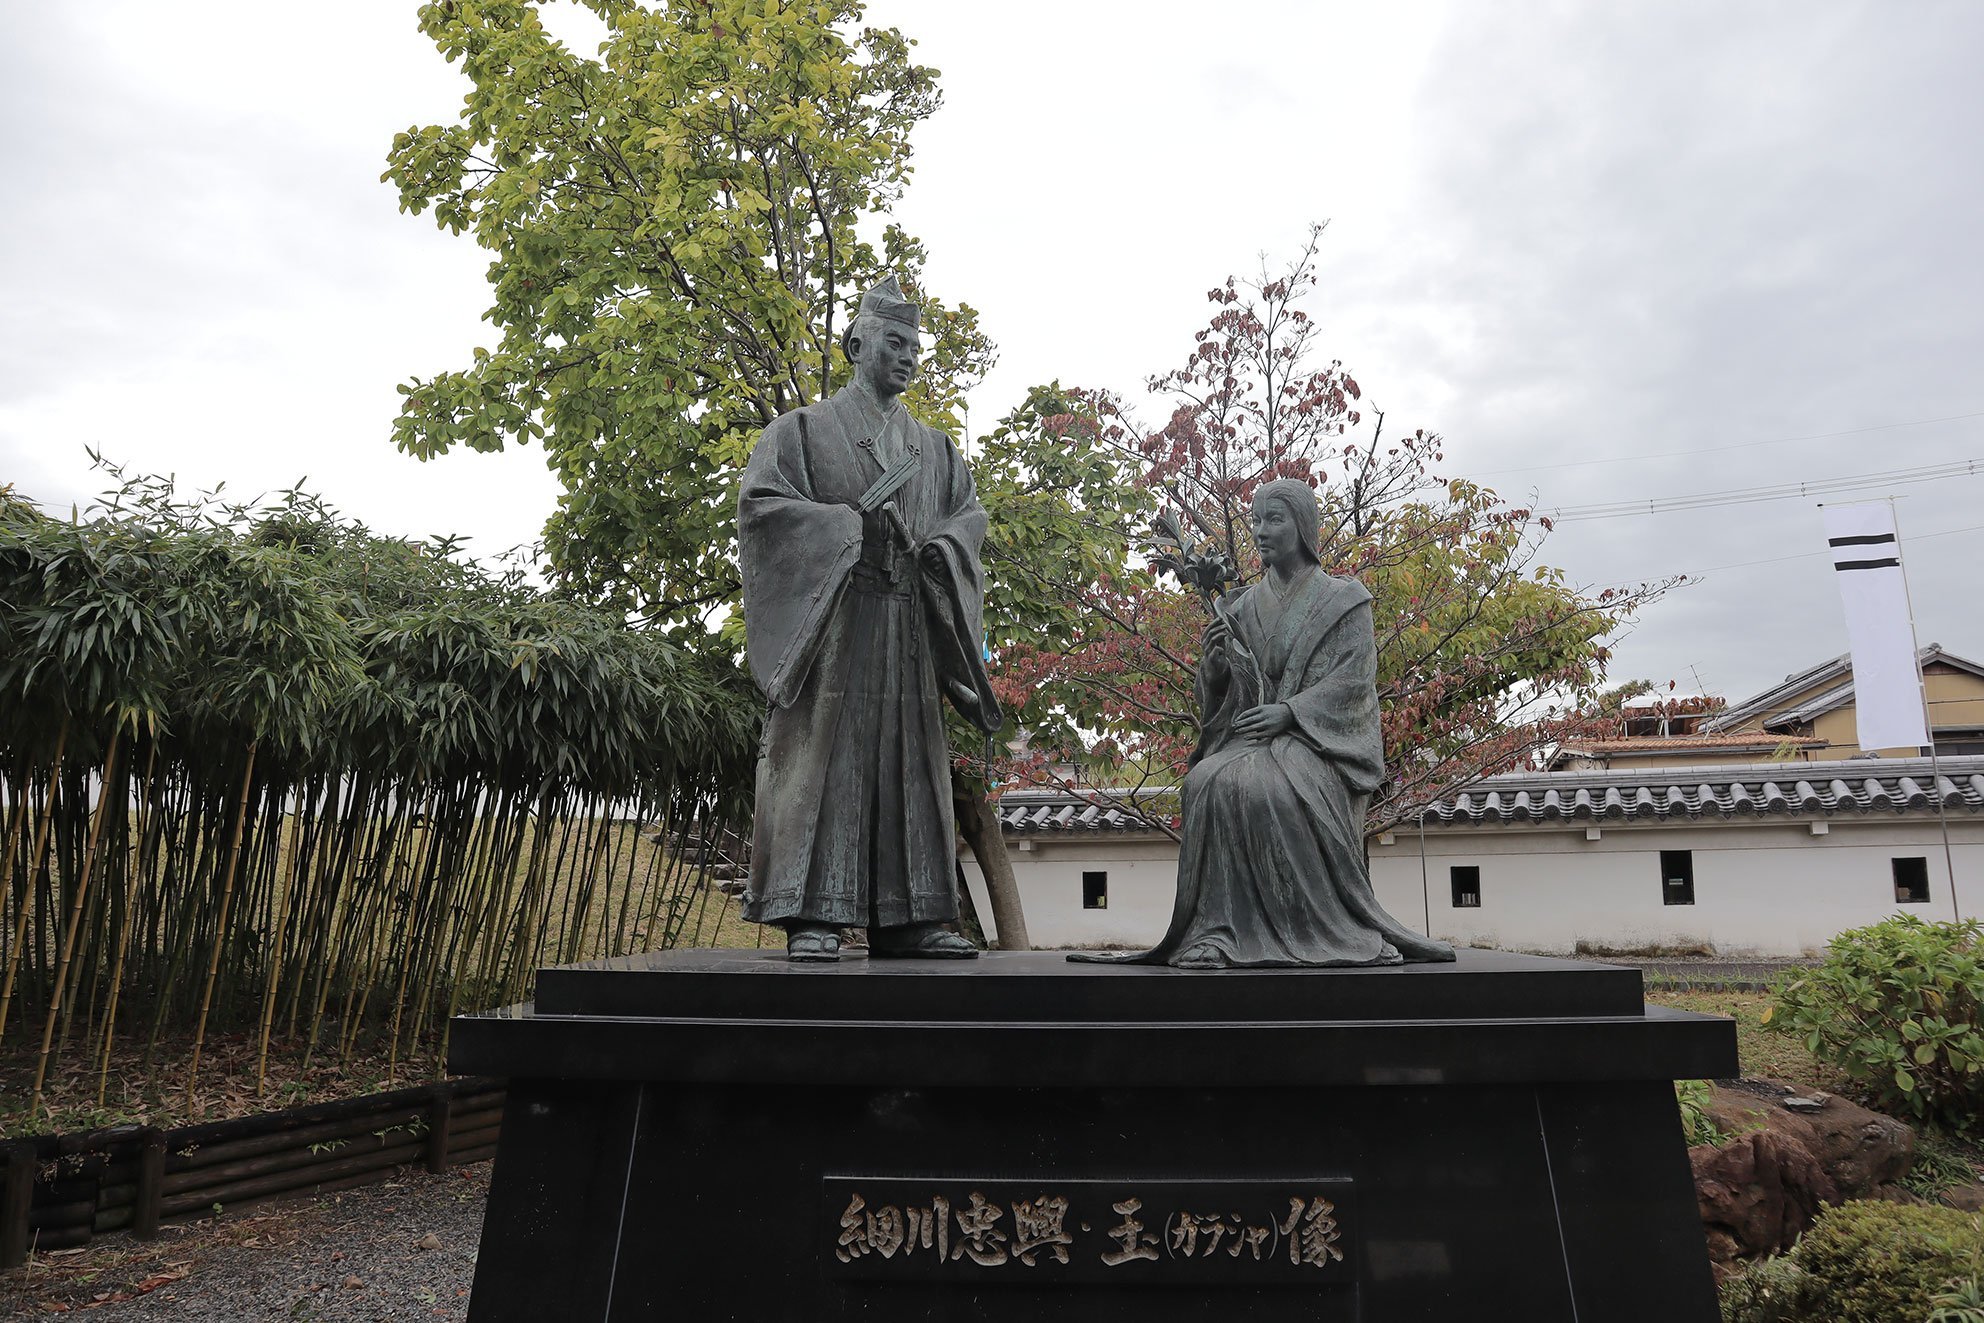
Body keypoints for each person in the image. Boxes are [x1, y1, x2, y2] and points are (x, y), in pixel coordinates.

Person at [735, 276, 1002, 962]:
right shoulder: (800, 433)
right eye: (894, 342)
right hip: (836, 626)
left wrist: (940, 551)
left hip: (909, 625)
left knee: (912, 763)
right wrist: (841, 528)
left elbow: (966, 522)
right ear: (857, 343)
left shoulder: (937, 451)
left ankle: (913, 914)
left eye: (916, 346)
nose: (909, 356)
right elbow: (763, 509)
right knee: (828, 755)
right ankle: (813, 910)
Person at [1089, 479, 1455, 970]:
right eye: (1256, 520)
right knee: (1204, 780)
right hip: (1251, 737)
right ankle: (1217, 931)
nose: (1260, 531)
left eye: (1273, 519)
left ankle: (1320, 929)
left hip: (1318, 745)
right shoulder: (1241, 605)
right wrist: (1216, 670)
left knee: (1262, 785)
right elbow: (1223, 698)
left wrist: (1289, 712)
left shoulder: (1345, 602)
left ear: (1303, 527)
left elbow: (1351, 684)